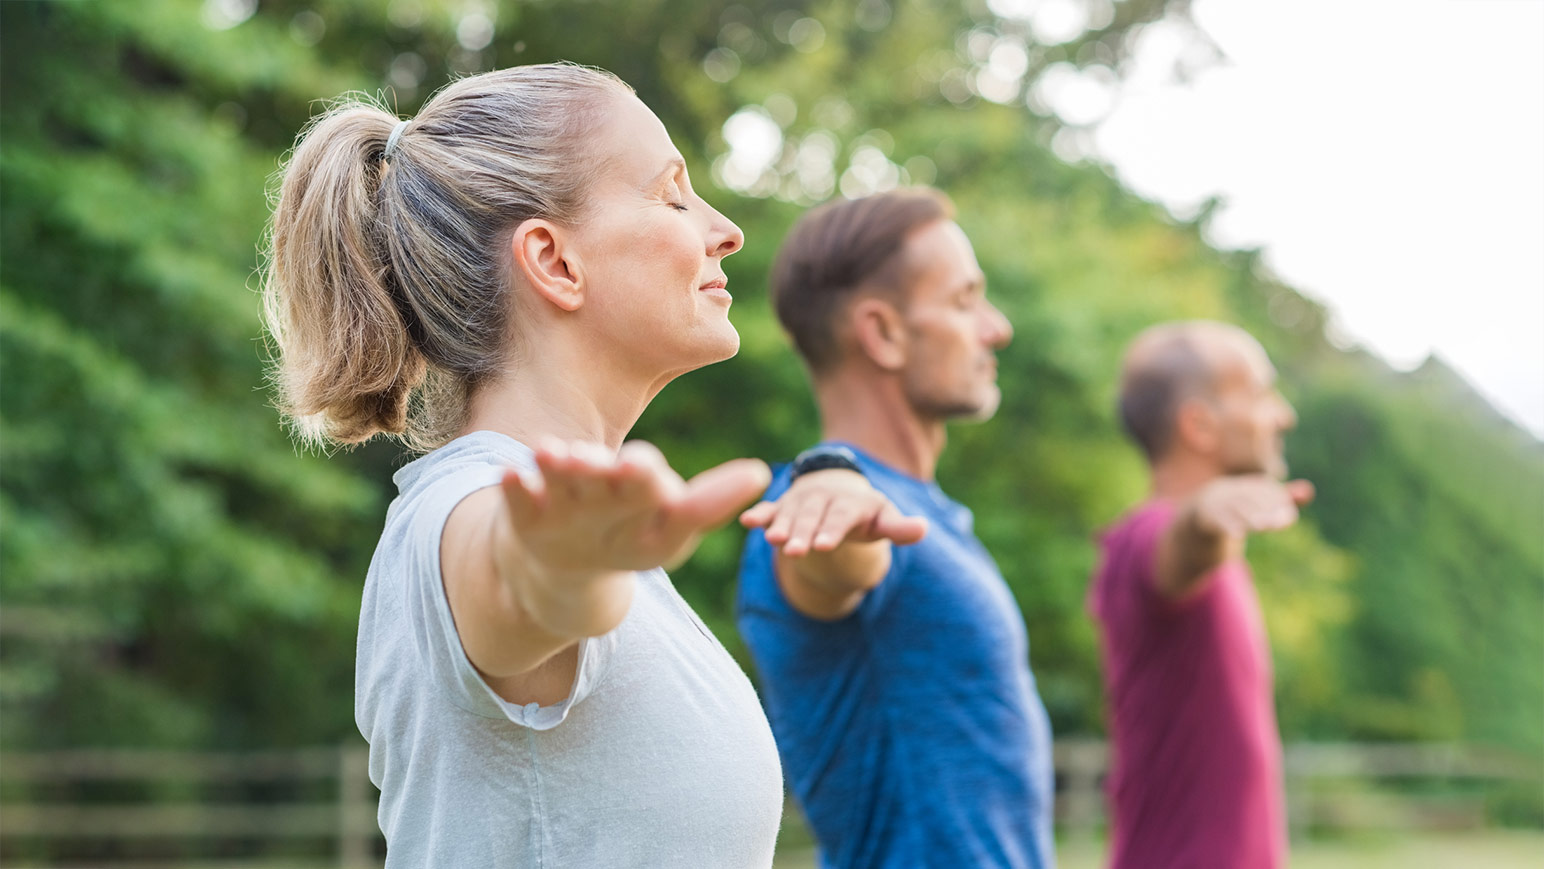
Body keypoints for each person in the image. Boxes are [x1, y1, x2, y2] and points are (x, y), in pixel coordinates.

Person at [261, 64, 783, 866]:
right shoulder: (467, 509)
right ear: (555, 261)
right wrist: (556, 565)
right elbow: (506, 574)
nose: (725, 230)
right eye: (672, 193)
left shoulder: (603, 544)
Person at [736, 188, 1056, 868]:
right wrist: (834, 487)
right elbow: (836, 559)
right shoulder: (817, 507)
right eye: (965, 301)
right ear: (882, 332)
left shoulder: (927, 513)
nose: (995, 327)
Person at [1089, 321, 1314, 869]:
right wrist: (1204, 515)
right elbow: (1178, 545)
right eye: (1261, 394)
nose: (1283, 415)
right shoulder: (1142, 540)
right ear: (1200, 425)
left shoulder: (1222, 563)